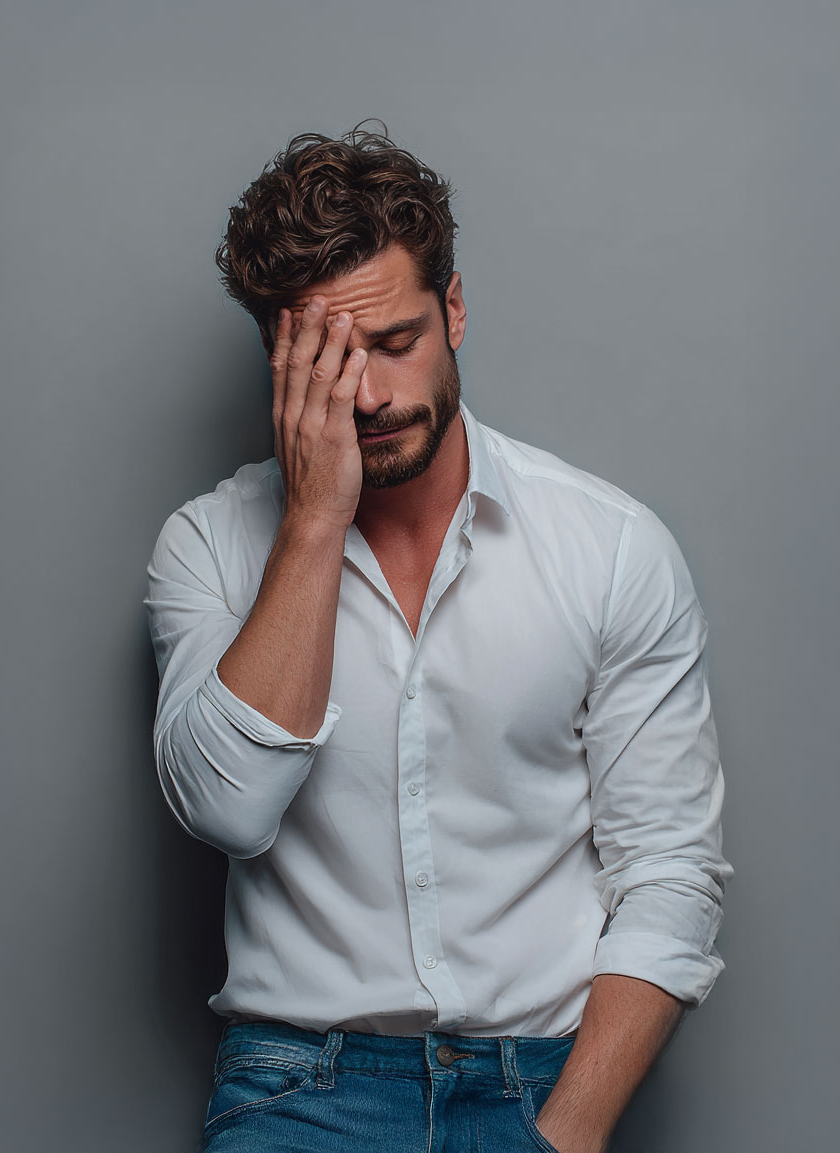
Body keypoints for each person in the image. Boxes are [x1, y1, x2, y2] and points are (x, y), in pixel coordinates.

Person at [145, 125, 732, 1153]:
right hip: (301, 1088)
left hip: (544, 1079)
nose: (366, 396)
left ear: (453, 309)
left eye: (394, 342)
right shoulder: (208, 547)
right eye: (328, 360)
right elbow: (229, 809)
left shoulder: (608, 547)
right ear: (275, 357)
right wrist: (317, 520)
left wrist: (567, 1133)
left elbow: (670, 868)